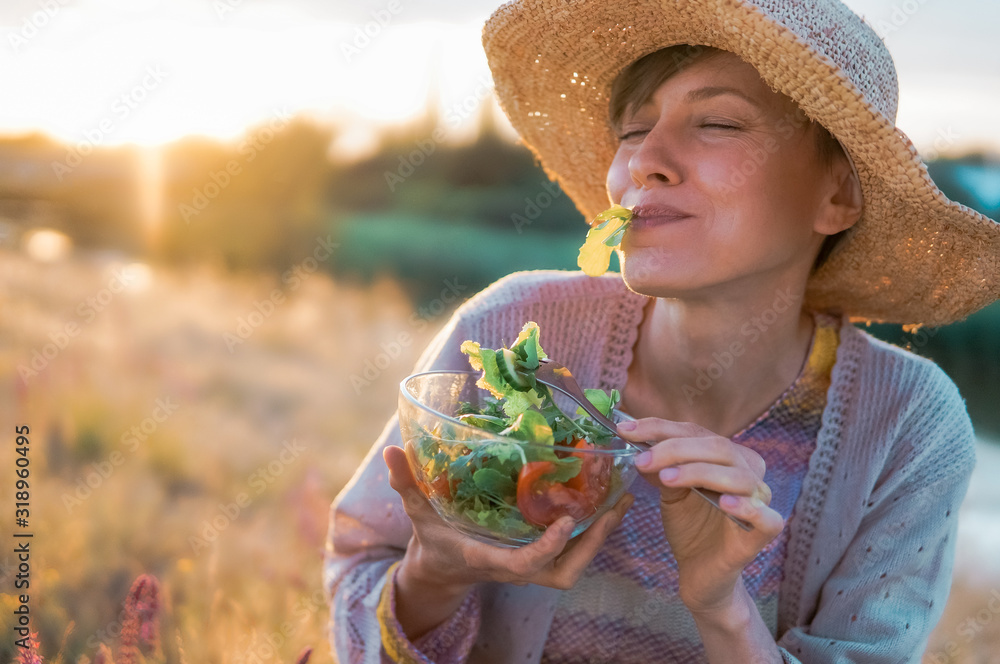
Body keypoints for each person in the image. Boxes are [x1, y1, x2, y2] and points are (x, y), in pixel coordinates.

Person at [323, 1, 1000, 662]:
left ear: (837, 195)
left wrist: (721, 608)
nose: (646, 159)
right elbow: (358, 584)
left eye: (717, 122)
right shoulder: (509, 329)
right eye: (630, 130)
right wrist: (431, 578)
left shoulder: (908, 423)